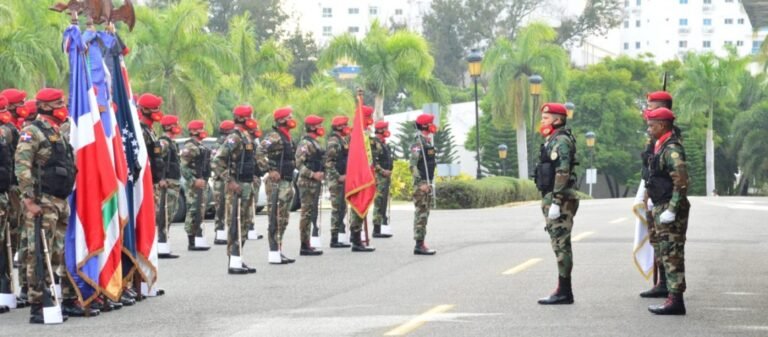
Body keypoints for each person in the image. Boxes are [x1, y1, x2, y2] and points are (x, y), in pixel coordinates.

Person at [16, 88, 99, 323]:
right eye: (58, 103)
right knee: (39, 253)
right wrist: (29, 200)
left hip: (60, 202)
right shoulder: (32, 132)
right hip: (42, 202)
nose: (62, 107)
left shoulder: (57, 132)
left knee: (58, 253)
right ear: (45, 107)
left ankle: (61, 298)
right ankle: (38, 304)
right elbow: (22, 167)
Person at [644, 107, 689, 315]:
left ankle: (676, 300)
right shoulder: (660, 146)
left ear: (662, 125)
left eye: (652, 125)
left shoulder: (671, 149)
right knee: (664, 251)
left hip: (670, 207)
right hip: (660, 204)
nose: (649, 129)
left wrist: (672, 208)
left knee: (672, 254)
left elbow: (680, 181)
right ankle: (670, 295)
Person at [534, 103, 578, 305]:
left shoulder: (560, 141)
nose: (542, 121)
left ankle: (564, 290)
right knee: (558, 244)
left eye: (546, 117)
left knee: (561, 245)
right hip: (552, 196)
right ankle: (563, 289)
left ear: (558, 120)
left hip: (560, 199)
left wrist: (556, 202)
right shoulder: (551, 140)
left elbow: (562, 172)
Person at [212, 105, 258, 274]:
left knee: (244, 223)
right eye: (251, 116)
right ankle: (233, 260)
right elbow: (217, 161)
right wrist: (229, 180)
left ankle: (239, 258)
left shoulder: (246, 137)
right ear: (245, 118)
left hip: (246, 184)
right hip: (236, 186)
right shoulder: (235, 137)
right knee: (235, 223)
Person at [640, 91, 673, 299]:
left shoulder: (670, 137)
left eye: (651, 107)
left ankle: (672, 288)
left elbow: (677, 176)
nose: (647, 111)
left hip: (666, 198)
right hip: (654, 194)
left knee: (669, 246)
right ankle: (663, 283)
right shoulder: (656, 137)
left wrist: (672, 205)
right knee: (657, 242)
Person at [136, 93, 177, 259]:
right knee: (146, 223)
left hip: (152, 183)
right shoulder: (141, 130)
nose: (158, 111)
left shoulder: (150, 131)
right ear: (144, 109)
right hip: (145, 185)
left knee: (152, 221)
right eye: (155, 108)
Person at [260, 107, 298, 264]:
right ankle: (273, 251)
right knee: (275, 217)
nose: (292, 118)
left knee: (283, 218)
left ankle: (279, 249)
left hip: (287, 181)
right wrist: (270, 170)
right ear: (282, 120)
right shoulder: (274, 136)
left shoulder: (287, 137)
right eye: (289, 116)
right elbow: (259, 151)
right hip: (277, 183)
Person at [295, 115, 325, 256]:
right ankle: (304, 244)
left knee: (310, 213)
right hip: (307, 182)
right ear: (312, 127)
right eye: (319, 125)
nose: (321, 128)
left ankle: (308, 243)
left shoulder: (315, 143)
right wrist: (313, 174)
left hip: (314, 182)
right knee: (306, 214)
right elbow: (299, 164)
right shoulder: (305, 143)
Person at [410, 114, 438, 256]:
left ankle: (421, 242)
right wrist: (420, 184)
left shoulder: (426, 143)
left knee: (425, 214)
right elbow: (413, 166)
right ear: (425, 126)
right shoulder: (418, 144)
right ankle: (419, 245)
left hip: (427, 183)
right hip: (421, 186)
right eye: (430, 123)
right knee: (421, 214)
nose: (433, 125)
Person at [181, 120, 211, 251]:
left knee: (200, 210)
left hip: (202, 182)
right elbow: (182, 166)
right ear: (193, 131)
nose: (203, 131)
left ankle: (198, 237)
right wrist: (193, 181)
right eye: (200, 129)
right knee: (193, 210)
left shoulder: (200, 146)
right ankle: (191, 240)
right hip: (194, 184)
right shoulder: (190, 146)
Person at [158, 114, 183, 258]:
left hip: (173, 182)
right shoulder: (164, 142)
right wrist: (161, 178)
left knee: (169, 214)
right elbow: (157, 161)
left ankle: (164, 245)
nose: (177, 127)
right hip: (167, 183)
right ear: (169, 127)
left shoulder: (172, 142)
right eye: (175, 124)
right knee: (164, 214)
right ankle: (161, 246)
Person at [324, 116, 351, 248]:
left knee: (342, 208)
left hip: (343, 178)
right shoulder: (334, 141)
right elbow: (329, 162)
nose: (347, 126)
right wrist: (338, 176)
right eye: (345, 125)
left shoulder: (342, 140)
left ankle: (339, 236)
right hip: (336, 180)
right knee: (337, 209)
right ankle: (334, 238)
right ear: (339, 127)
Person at [212, 120, 235, 245]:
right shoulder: (219, 145)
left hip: (229, 180)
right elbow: (215, 163)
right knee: (220, 208)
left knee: (229, 207)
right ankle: (219, 233)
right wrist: (227, 177)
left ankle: (228, 232)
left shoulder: (231, 144)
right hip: (220, 181)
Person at [371, 120, 393, 238]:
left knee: (383, 202)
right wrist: (382, 171)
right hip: (379, 177)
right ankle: (376, 229)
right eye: (385, 128)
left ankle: (381, 227)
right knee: (379, 202)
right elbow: (373, 161)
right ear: (380, 130)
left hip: (385, 176)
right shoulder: (375, 143)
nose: (387, 131)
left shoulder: (383, 143)